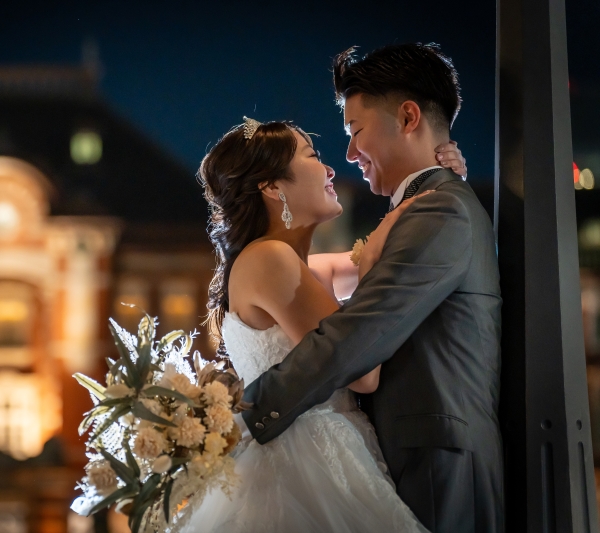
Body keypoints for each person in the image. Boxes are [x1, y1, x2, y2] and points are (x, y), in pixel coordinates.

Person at [241, 44, 503, 533]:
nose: (347, 156)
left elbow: (359, 335)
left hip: (435, 464)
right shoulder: (428, 205)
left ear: (407, 117)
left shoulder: (439, 209)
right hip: (398, 460)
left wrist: (244, 412)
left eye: (354, 132)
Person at [178, 114, 467, 532]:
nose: (331, 168)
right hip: (304, 463)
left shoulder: (302, 267)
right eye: (312, 156)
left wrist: (441, 179)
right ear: (273, 187)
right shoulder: (269, 260)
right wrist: (369, 267)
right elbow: (363, 372)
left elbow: (396, 256)